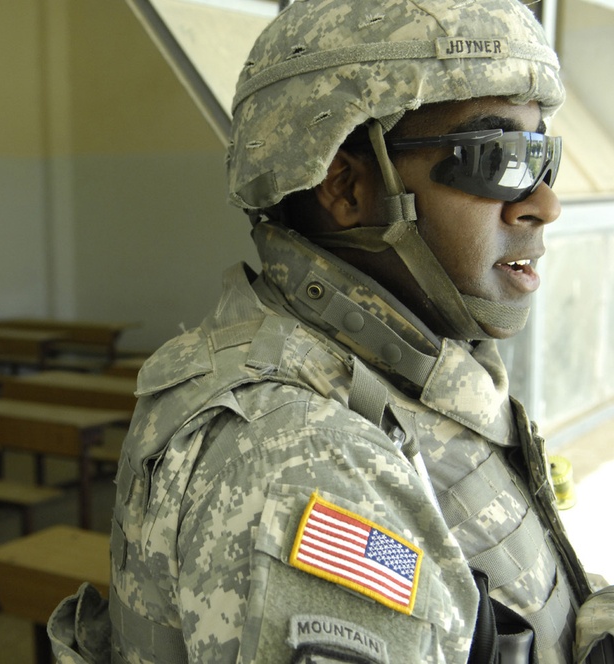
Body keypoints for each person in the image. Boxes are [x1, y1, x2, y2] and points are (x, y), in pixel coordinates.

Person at [48, 0, 614, 662]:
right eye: (499, 157)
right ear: (346, 188)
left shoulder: (414, 365)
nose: (544, 203)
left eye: (543, 154)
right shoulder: (302, 464)